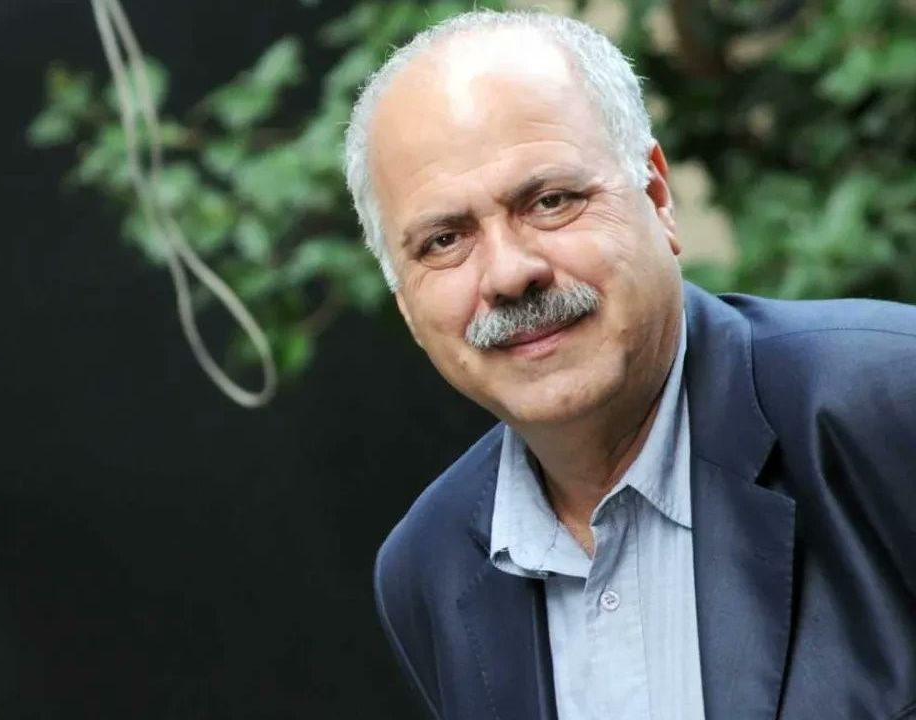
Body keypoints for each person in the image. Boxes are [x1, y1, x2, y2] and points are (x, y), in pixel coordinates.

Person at [343, 10, 916, 720]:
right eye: (443, 241)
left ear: (657, 197)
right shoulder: (430, 571)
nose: (510, 273)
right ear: (405, 302)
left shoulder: (891, 405)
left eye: (550, 202)